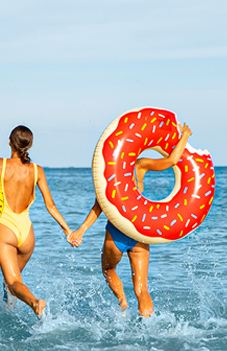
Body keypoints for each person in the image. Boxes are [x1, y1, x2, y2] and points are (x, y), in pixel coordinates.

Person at [68, 124, 192, 317]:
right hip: (138, 232)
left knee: (108, 269)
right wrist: (185, 135)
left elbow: (98, 206)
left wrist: (80, 231)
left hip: (116, 232)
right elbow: (173, 160)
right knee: (142, 290)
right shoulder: (140, 165)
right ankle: (148, 323)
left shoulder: (109, 173)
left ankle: (122, 301)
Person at [0, 125, 73, 318]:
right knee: (13, 282)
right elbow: (51, 206)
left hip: (5, 230)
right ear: (29, 145)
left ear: (9, 142)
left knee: (13, 283)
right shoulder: (37, 170)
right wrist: (67, 231)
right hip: (27, 235)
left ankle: (35, 303)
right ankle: (10, 309)